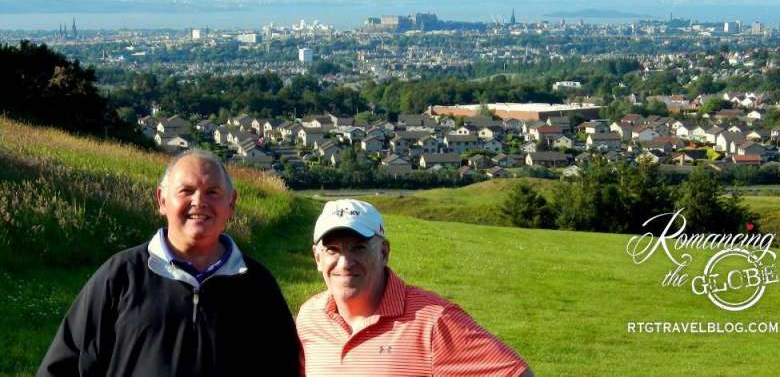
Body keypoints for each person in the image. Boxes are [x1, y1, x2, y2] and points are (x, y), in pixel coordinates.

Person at [38, 150, 300, 377]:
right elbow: (63, 366)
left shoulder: (258, 285)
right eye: (186, 191)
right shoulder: (121, 275)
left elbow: (285, 368)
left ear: (231, 203)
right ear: (162, 200)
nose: (199, 202)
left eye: (213, 192)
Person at [297, 199, 533, 377]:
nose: (345, 263)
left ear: (383, 253)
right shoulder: (310, 317)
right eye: (332, 250)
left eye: (358, 248)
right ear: (317, 258)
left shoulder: (435, 322)